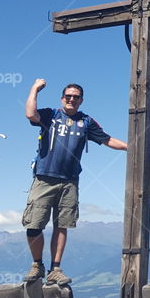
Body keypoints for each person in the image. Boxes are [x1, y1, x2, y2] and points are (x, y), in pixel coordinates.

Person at [22, 78, 127, 285]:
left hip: (70, 181)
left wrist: (131, 146)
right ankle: (37, 265)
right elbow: (30, 114)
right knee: (34, 224)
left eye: (76, 97)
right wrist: (35, 88)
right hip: (44, 178)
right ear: (62, 98)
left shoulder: (86, 122)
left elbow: (107, 140)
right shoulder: (50, 115)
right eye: (68, 96)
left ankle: (55, 268)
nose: (71, 99)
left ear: (81, 100)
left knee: (62, 225)